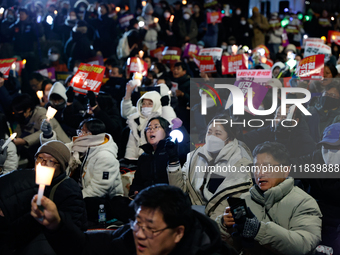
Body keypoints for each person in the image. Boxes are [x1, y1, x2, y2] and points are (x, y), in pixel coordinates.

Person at [30, 184, 238, 255]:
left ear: (178, 233)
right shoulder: (127, 238)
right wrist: (56, 223)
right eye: (138, 222)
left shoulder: (212, 251)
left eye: (150, 228)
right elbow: (85, 247)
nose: (139, 233)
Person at [217, 142, 322, 254]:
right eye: (256, 167)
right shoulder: (245, 199)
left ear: (285, 171)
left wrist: (259, 230)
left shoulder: (304, 202)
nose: (260, 173)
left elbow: (303, 245)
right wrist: (225, 226)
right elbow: (230, 247)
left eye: (267, 167)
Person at [0, 140, 87, 254]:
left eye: (50, 161)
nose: (42, 163)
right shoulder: (28, 179)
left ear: (61, 166)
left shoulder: (68, 189)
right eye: (40, 158)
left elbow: (72, 230)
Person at [168, 115, 253, 220]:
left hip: (221, 222)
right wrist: (173, 162)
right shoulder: (194, 156)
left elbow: (231, 202)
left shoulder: (240, 161)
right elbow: (179, 190)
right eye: (209, 132)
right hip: (196, 216)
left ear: (230, 139)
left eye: (217, 133)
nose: (211, 137)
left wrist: (210, 225)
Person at [121, 87, 176, 160]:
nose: (146, 107)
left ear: (157, 104)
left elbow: (171, 124)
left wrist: (166, 107)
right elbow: (131, 146)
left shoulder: (161, 119)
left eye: (150, 104)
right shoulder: (135, 121)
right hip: (138, 161)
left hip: (156, 158)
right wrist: (129, 161)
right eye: (143, 104)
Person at [129, 117, 176, 196]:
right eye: (148, 128)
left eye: (156, 127)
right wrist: (135, 191)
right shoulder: (144, 157)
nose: (151, 130)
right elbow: (137, 182)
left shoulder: (172, 153)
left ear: (166, 131)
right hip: (147, 200)